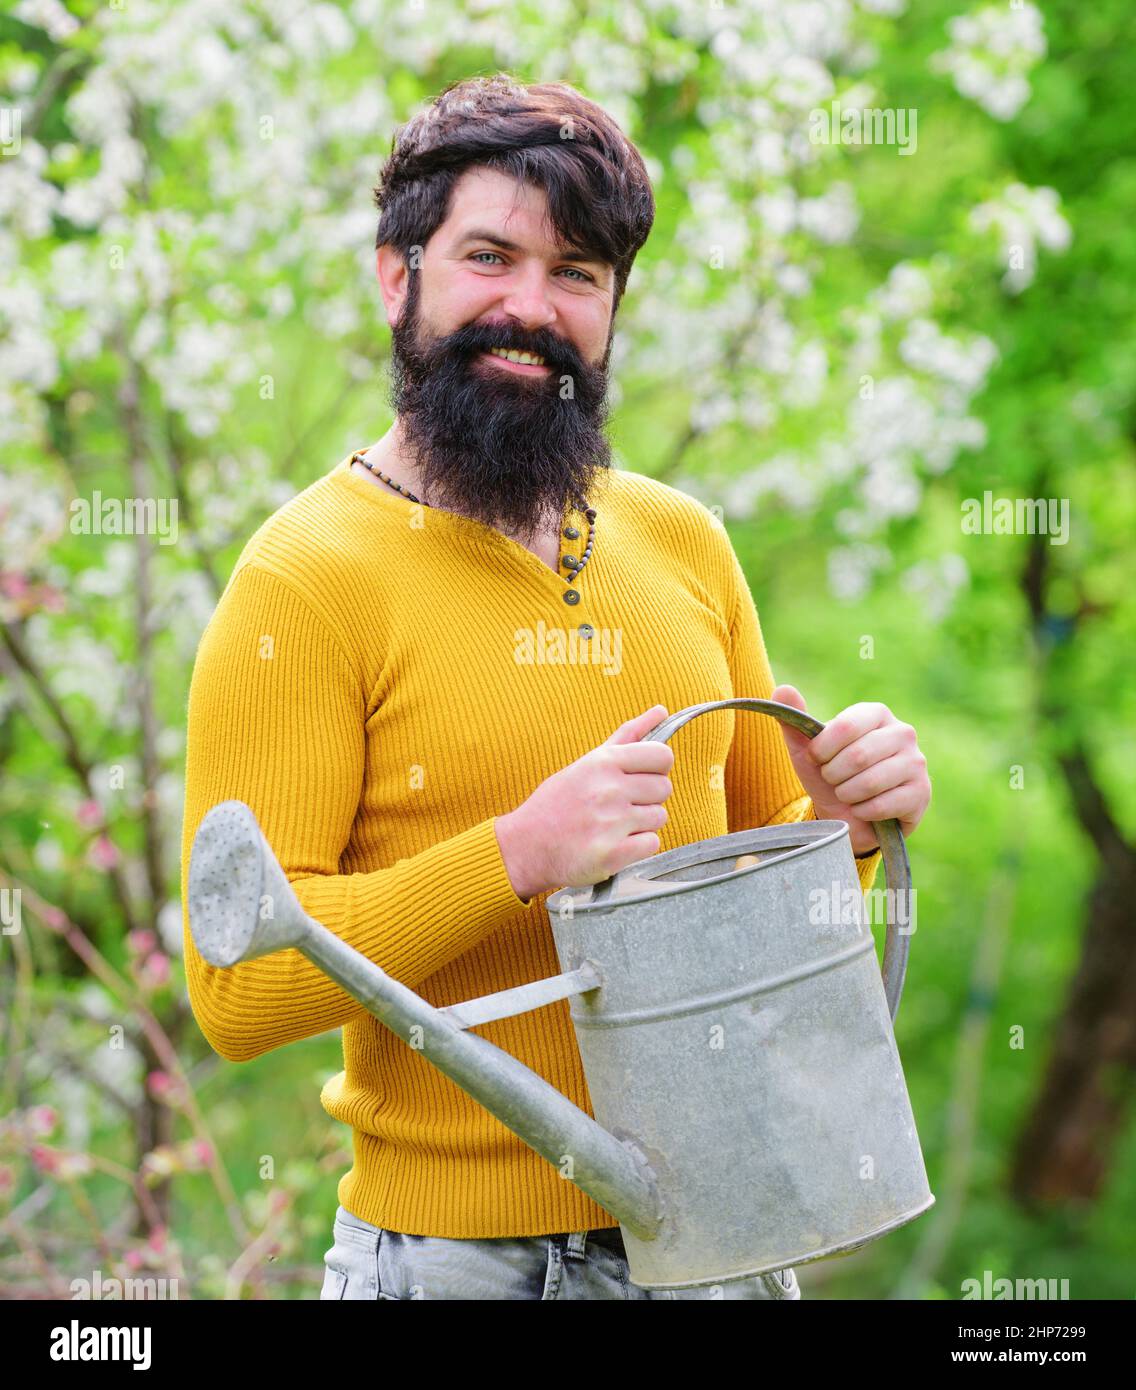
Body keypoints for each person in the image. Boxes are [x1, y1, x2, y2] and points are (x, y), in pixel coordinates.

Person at [179, 73, 931, 1301]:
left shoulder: (680, 541)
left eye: (575, 274)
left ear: (611, 308)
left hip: (724, 1251)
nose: (528, 307)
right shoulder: (302, 582)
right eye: (488, 256)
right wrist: (516, 853)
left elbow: (758, 918)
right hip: (454, 1272)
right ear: (396, 274)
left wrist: (840, 831)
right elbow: (237, 989)